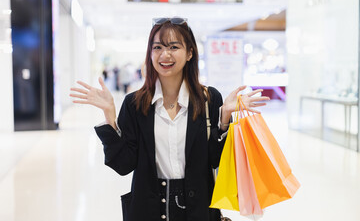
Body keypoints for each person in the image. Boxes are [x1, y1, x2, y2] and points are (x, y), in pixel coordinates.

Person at [69, 17, 269, 221]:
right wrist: (109, 116)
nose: (165, 54)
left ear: (190, 53)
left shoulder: (209, 99)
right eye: (157, 47)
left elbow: (215, 160)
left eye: (174, 47)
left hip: (198, 209)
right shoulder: (134, 104)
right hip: (148, 210)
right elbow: (123, 165)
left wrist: (225, 117)